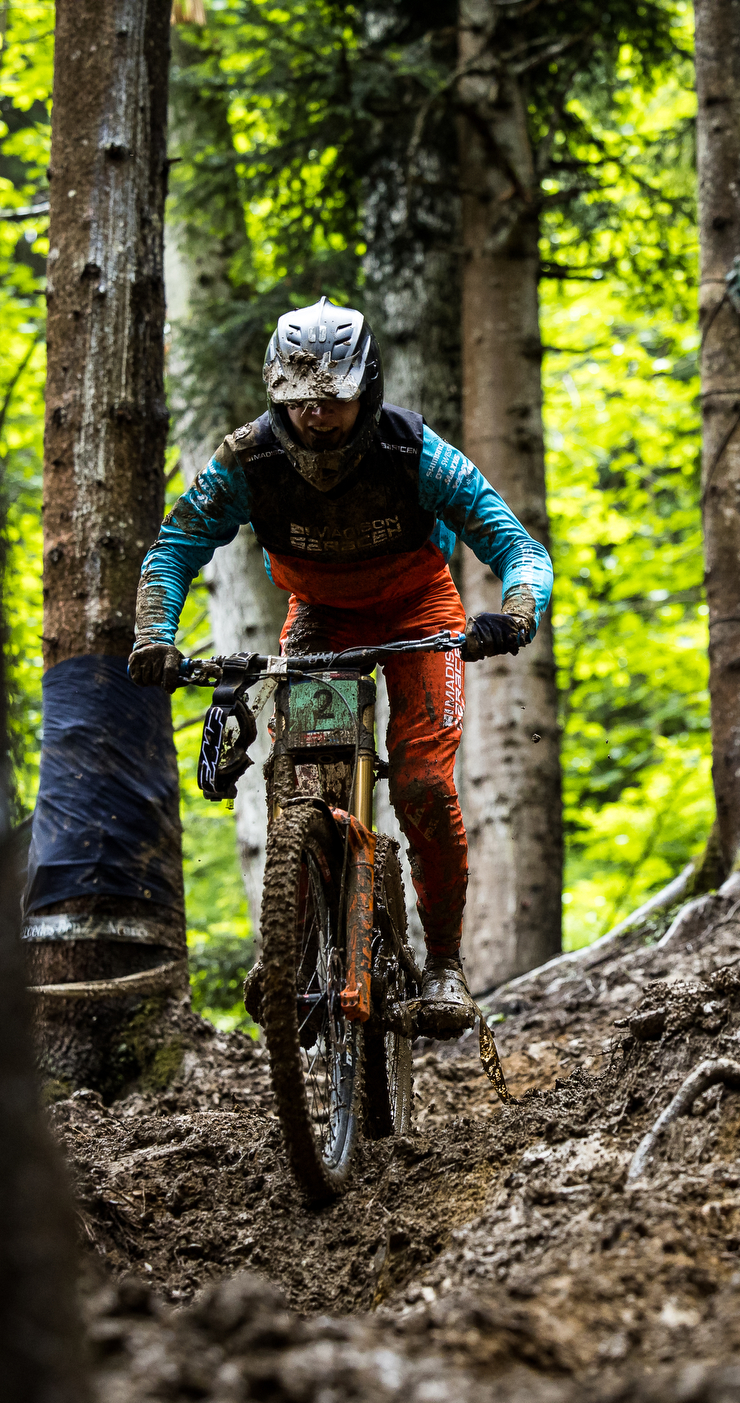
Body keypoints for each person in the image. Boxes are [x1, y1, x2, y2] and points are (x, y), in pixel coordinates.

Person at [130, 298, 551, 1038]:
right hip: (320, 617)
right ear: (276, 394)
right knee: (302, 777)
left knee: (421, 782)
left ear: (368, 387)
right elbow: (176, 545)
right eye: (299, 402)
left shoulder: (415, 453)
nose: (316, 417)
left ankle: (445, 966)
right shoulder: (248, 458)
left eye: (334, 399)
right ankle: (295, 940)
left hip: (419, 615)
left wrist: (516, 609)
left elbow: (517, 544)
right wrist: (155, 634)